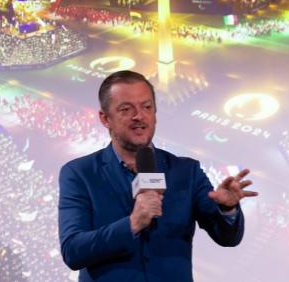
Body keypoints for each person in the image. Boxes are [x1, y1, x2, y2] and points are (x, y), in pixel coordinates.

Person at [59, 70, 258, 282]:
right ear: (105, 118)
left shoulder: (186, 171)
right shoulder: (80, 173)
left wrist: (227, 209)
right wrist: (133, 223)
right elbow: (73, 251)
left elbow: (227, 238)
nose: (139, 116)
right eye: (126, 109)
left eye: (147, 107)